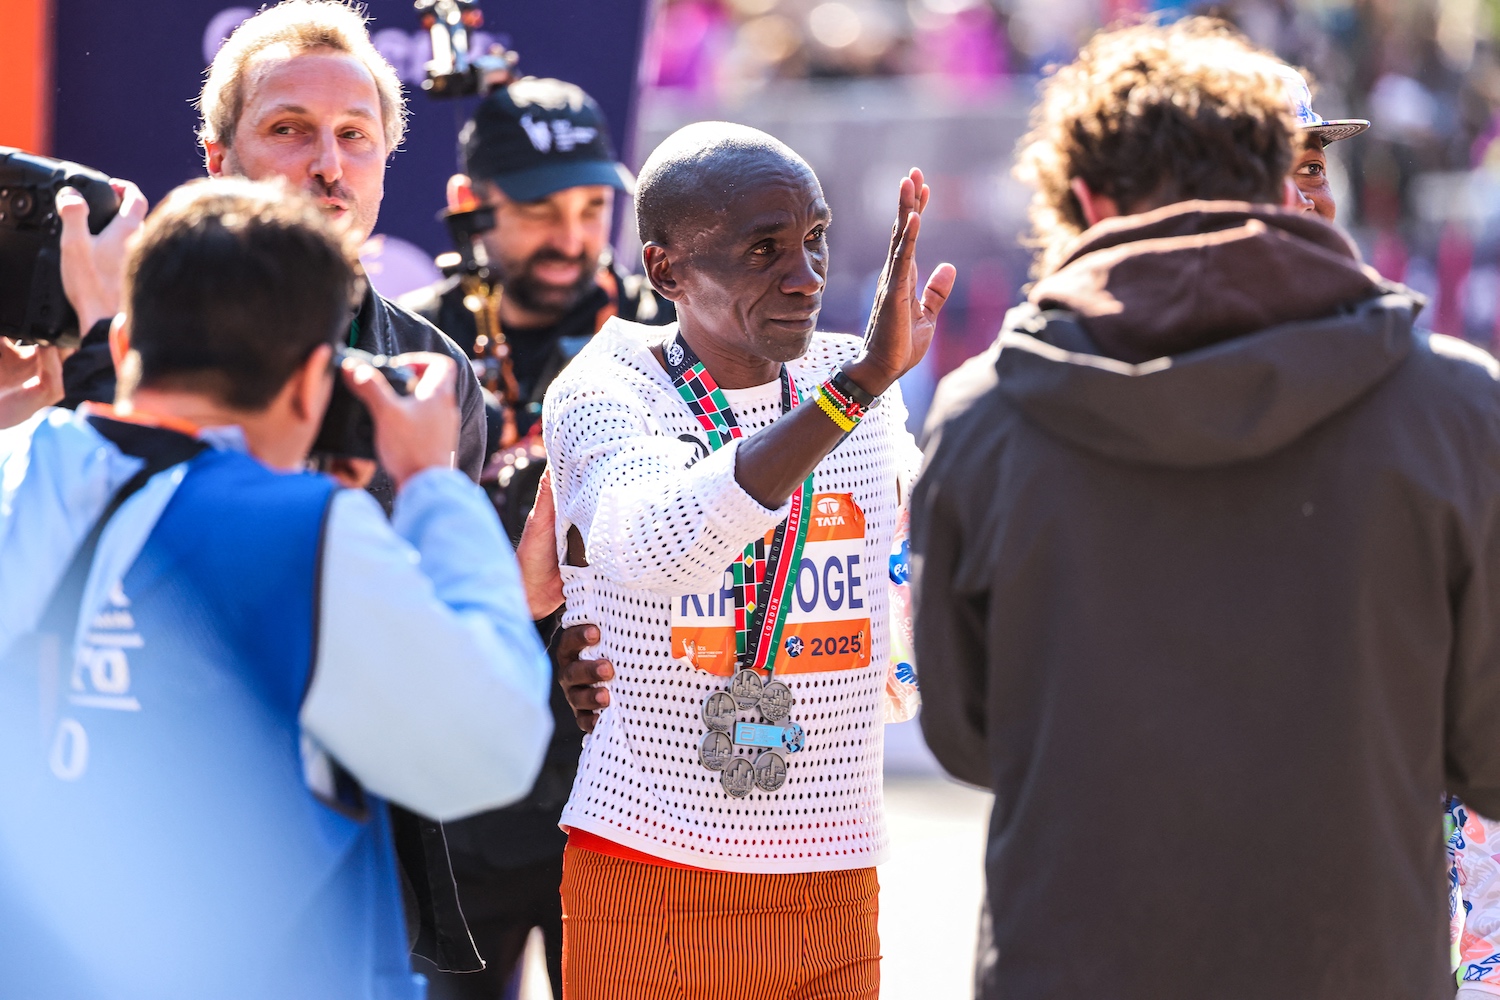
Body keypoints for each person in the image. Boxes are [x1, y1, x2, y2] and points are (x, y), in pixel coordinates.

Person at [912, 18, 1500, 999]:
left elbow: (970, 735)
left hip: (1074, 963)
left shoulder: (986, 421)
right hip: (1355, 966)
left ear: (1088, 202)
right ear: (1285, 184)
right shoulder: (1457, 410)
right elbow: (1490, 746)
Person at [0, 178, 553, 999]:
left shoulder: (19, 465)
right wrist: (433, 486)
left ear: (120, 349)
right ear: (311, 384)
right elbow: (492, 749)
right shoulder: (310, 531)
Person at [540, 121, 954, 1000]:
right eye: (763, 250)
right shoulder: (607, 389)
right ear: (666, 270)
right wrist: (856, 395)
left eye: (814, 240)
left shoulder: (855, 379)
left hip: (839, 871)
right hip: (655, 868)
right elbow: (658, 545)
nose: (804, 276)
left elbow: (928, 548)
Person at [398, 76, 671, 1000]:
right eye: (540, 209)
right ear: (473, 208)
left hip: (632, 790)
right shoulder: (412, 348)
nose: (570, 237)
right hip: (458, 794)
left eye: (594, 206)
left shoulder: (667, 342)